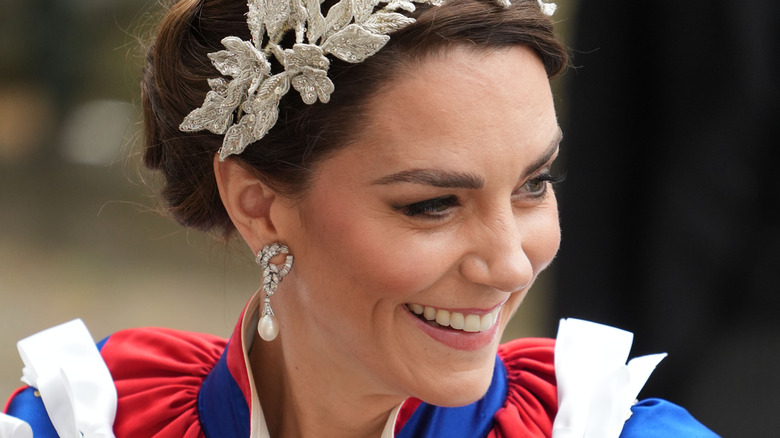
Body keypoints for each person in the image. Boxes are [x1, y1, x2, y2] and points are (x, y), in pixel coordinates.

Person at [2, 0, 718, 437]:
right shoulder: (85, 424)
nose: (509, 264)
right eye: (432, 204)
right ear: (257, 204)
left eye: (535, 184)